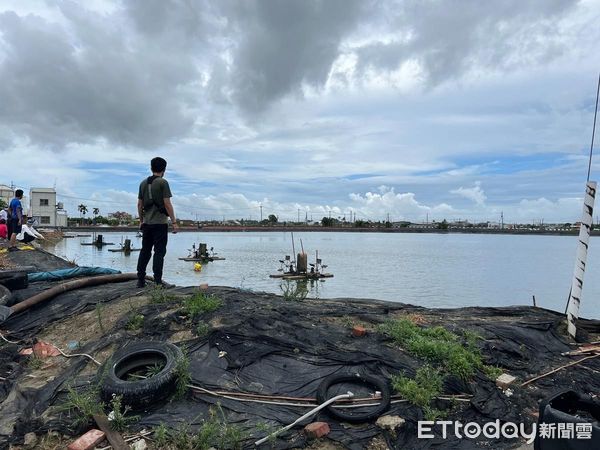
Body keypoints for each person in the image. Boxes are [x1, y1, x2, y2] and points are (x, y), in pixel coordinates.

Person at [136, 157, 177, 287]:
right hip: (160, 223)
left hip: (147, 224)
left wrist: (141, 220)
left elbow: (139, 205)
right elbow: (167, 204)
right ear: (164, 169)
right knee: (159, 252)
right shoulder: (163, 183)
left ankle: (140, 280)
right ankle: (158, 282)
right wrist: (174, 222)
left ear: (151, 167)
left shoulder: (143, 183)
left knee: (145, 251)